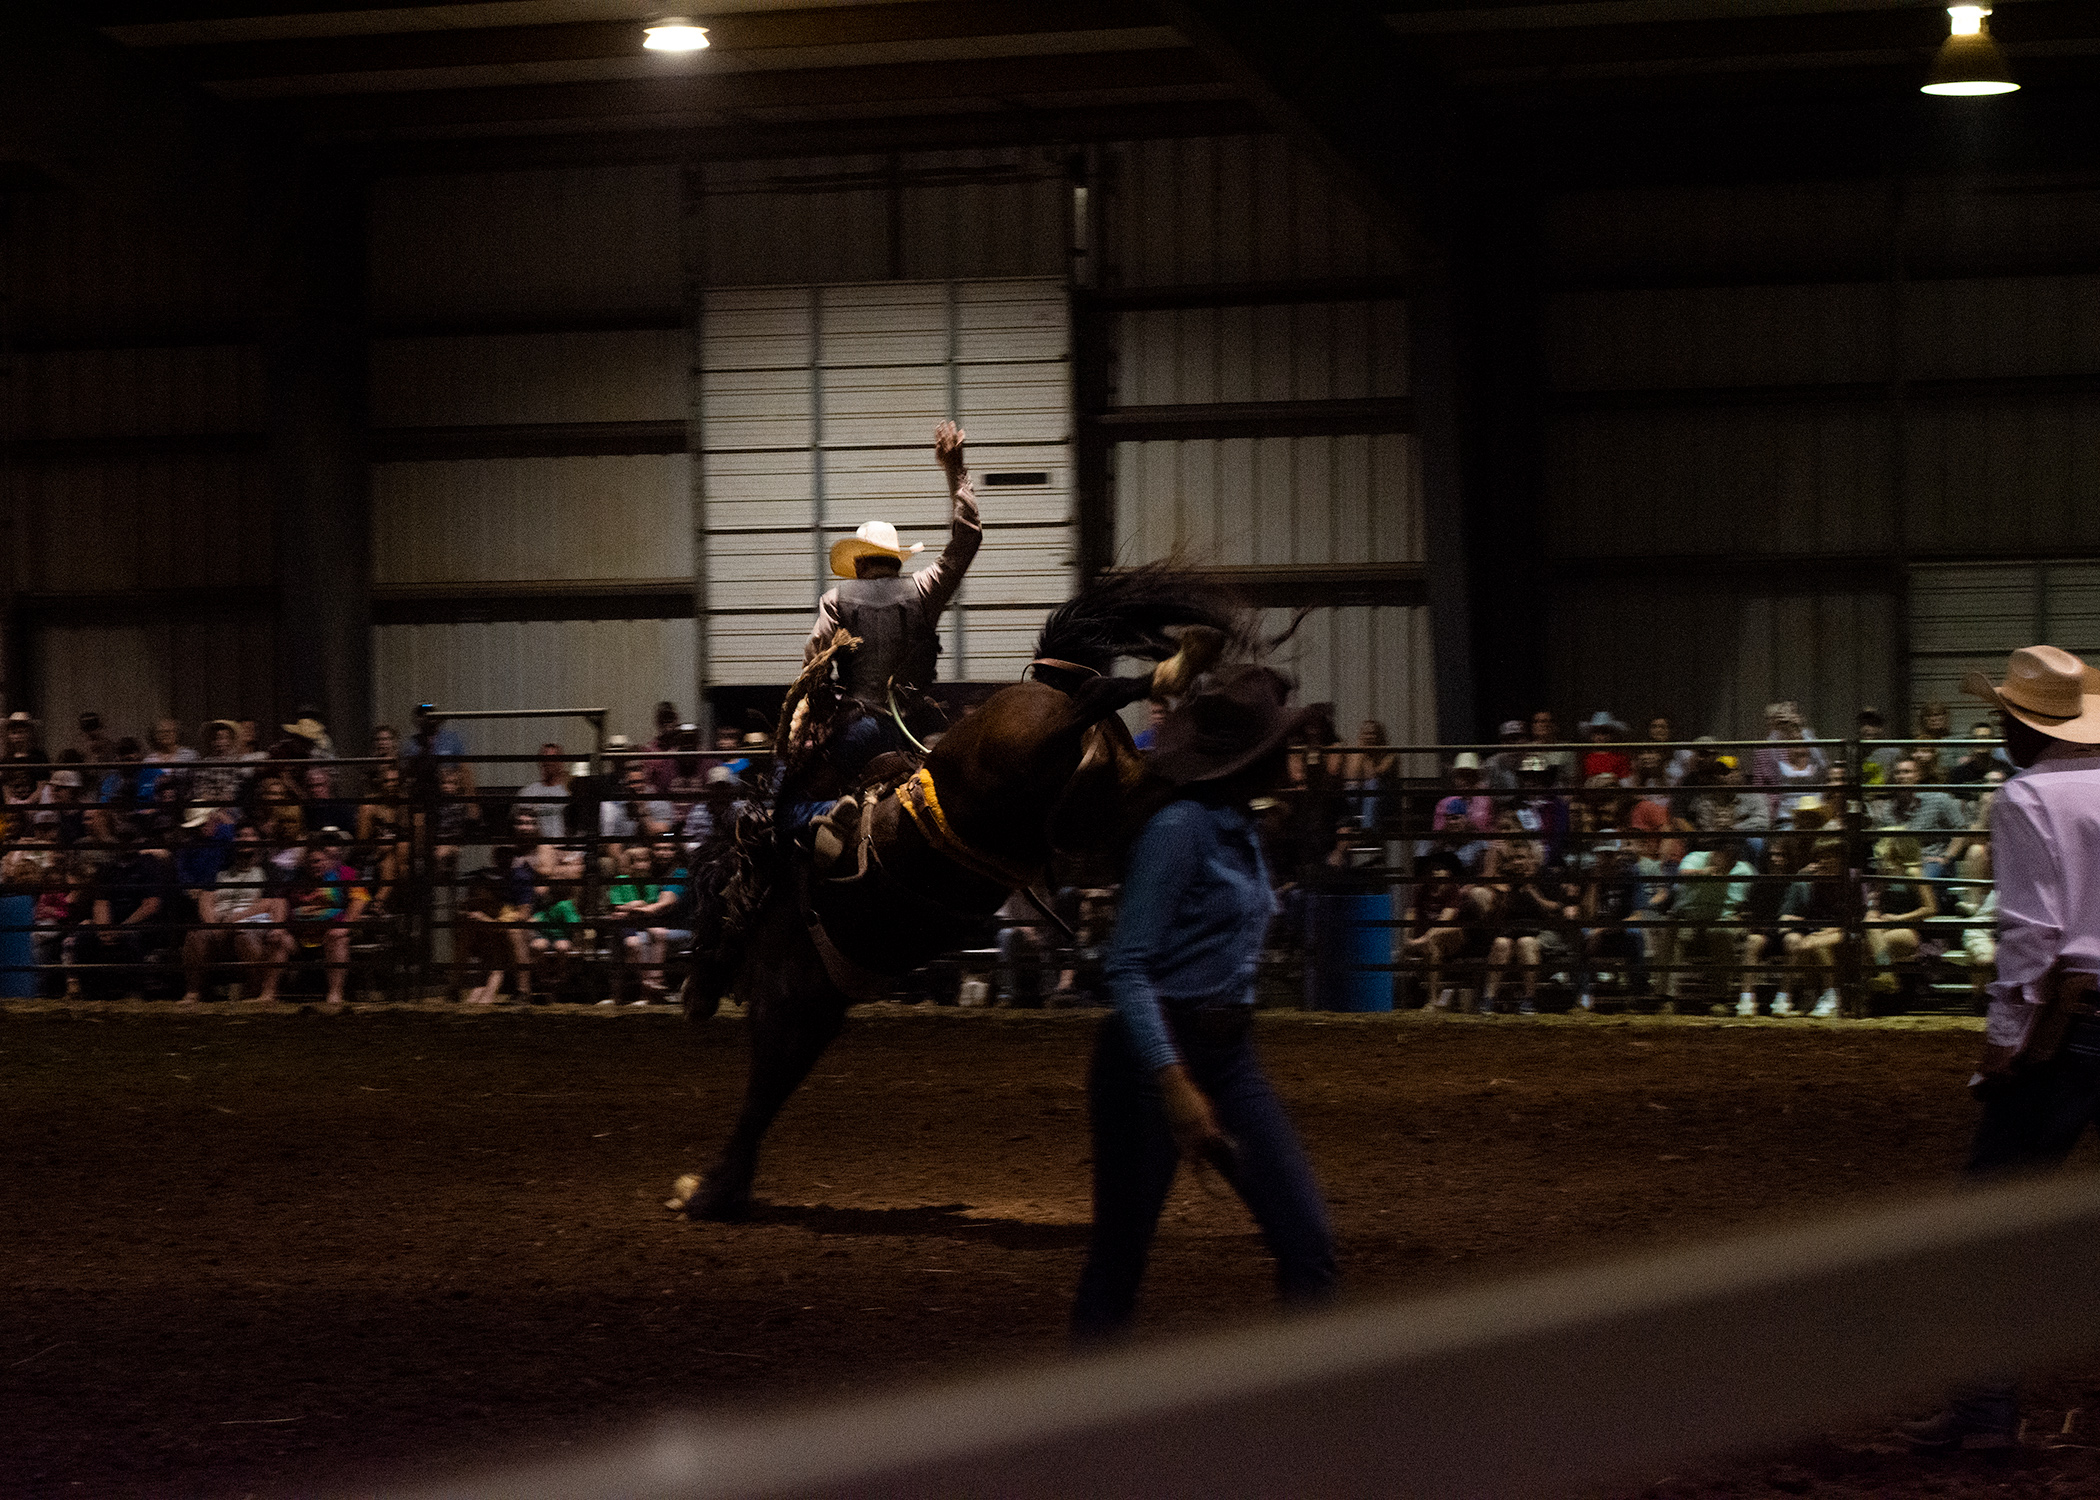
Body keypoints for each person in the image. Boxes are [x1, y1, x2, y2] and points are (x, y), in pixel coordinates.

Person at [1070, 666, 1337, 1339]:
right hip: (1153, 1064)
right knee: (1120, 1260)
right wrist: (1174, 1082)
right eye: (1282, 746)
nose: (1291, 757)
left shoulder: (1234, 826)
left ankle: (1305, 1422)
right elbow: (1128, 967)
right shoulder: (1183, 828)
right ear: (1253, 757)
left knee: (1308, 1243)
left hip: (1224, 1051)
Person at [1900, 647, 2100, 1453]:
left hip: (2073, 1025)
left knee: (1992, 1218)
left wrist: (2001, 1047)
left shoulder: (2027, 797)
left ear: (2023, 726)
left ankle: (1985, 1411)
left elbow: (2032, 937)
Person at [797, 420, 983, 841]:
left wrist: (817, 717)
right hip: (916, 731)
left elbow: (813, 662)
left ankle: (832, 812)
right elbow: (969, 537)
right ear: (898, 560)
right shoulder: (925, 589)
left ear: (860, 562)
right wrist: (956, 470)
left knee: (783, 799)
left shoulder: (836, 600)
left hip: (861, 730)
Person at [180, 825, 289, 1004]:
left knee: (243, 934)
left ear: (259, 841)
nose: (244, 838)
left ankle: (255, 988)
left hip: (249, 921)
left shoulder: (269, 870)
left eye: (250, 835)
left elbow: (272, 902)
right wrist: (213, 925)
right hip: (220, 922)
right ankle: (194, 992)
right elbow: (206, 897)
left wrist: (235, 919)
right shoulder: (221, 870)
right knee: (195, 936)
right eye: (239, 835)